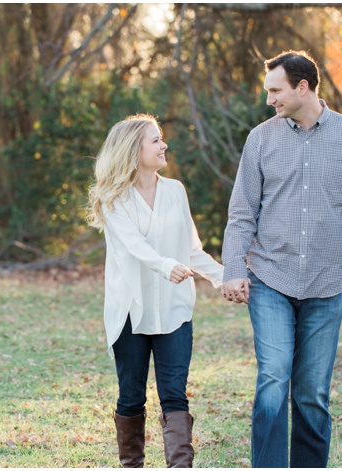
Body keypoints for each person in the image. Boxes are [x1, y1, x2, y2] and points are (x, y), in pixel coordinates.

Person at [221, 50, 342, 468]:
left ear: (303, 88)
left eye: (276, 91)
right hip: (270, 279)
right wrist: (232, 269)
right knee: (273, 379)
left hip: (324, 284)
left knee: (312, 395)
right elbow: (242, 211)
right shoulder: (261, 138)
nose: (270, 101)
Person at [87, 114, 224, 468]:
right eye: (155, 140)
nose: (163, 145)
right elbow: (133, 246)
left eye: (161, 139)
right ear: (134, 150)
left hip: (175, 311)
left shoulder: (175, 191)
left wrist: (222, 277)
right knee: (131, 397)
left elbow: (191, 248)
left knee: (175, 395)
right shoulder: (113, 198)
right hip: (131, 312)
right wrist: (167, 266)